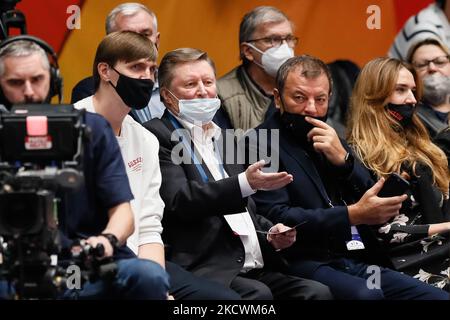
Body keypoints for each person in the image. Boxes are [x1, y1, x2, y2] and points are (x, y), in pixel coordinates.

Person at [248, 54, 449, 299]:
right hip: (302, 259)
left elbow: (376, 198)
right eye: (299, 98)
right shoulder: (259, 143)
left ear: (329, 99)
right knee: (367, 295)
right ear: (278, 98)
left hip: (354, 256)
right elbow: (277, 216)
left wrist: (345, 163)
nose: (311, 108)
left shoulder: (332, 138)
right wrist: (350, 215)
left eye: (320, 99)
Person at [143, 47, 333, 300]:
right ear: (167, 96)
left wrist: (271, 233)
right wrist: (244, 183)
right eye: (190, 84)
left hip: (254, 262)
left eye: (208, 82)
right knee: (259, 295)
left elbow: (248, 211)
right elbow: (181, 199)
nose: (202, 90)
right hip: (208, 265)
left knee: (317, 293)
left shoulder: (225, 136)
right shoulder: (157, 135)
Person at [74, 31, 242, 300]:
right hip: (85, 266)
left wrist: (155, 287)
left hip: (140, 264)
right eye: (136, 67)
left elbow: (150, 225)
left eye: (151, 69)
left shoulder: (145, 139)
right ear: (105, 71)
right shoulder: (71, 128)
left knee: (228, 303)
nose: (146, 77)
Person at [0, 37, 170, 299]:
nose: (29, 91)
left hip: (81, 267)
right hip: (13, 269)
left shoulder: (92, 129)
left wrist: (107, 240)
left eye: (37, 79)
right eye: (15, 82)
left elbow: (124, 213)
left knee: (148, 276)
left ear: (54, 80)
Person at [347, 57, 450, 291]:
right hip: (408, 258)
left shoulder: (423, 146)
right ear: (375, 95)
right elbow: (381, 232)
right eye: (401, 90)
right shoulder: (359, 157)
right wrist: (446, 228)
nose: (412, 100)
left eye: (413, 91)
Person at [71, 2, 164, 122]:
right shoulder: (89, 91)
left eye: (145, 34)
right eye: (129, 36)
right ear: (111, 43)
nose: (139, 43)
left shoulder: (179, 85)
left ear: (157, 41)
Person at [217, 6, 296, 131]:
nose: (285, 47)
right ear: (248, 51)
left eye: (289, 39)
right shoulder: (221, 96)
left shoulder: (302, 89)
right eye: (273, 40)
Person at [406, 38, 450, 137]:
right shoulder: (408, 118)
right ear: (411, 73)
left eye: (440, 62)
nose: (432, 68)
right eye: (422, 65)